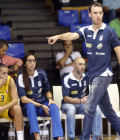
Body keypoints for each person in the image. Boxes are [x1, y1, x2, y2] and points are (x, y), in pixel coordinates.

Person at [47, 2, 120, 140]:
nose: (98, 15)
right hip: (93, 76)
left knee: (89, 107)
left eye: (100, 13)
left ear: (102, 14)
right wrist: (57, 37)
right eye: (95, 13)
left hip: (104, 75)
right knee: (108, 111)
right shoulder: (86, 31)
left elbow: (118, 52)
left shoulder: (110, 31)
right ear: (90, 14)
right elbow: (71, 35)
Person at [16, 54, 63, 140]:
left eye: (34, 60)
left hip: (42, 106)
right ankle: (37, 137)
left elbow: (47, 91)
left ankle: (59, 137)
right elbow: (23, 99)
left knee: (54, 107)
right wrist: (40, 105)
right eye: (29, 61)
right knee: (30, 106)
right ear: (25, 63)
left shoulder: (42, 73)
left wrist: (50, 99)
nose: (32, 63)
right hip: (28, 108)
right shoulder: (20, 77)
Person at [61, 57, 102, 140]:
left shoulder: (86, 76)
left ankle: (96, 137)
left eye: (84, 64)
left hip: (82, 105)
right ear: (74, 66)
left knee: (96, 108)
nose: (83, 66)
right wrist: (80, 100)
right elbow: (65, 98)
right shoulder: (67, 78)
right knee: (71, 109)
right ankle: (71, 137)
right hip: (68, 104)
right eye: (80, 64)